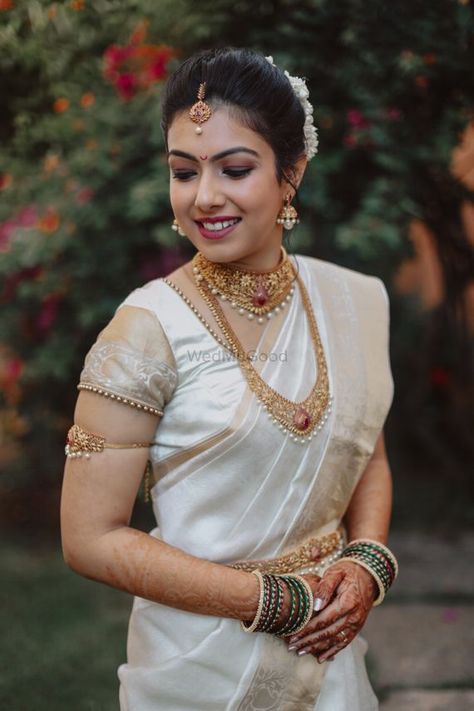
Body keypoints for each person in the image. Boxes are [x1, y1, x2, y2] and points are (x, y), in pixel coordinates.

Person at [60, 47, 396, 710]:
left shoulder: (353, 301)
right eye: (184, 172)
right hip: (198, 668)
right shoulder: (145, 330)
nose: (204, 196)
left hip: (331, 664)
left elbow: (369, 456)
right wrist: (271, 598)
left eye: (234, 169)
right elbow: (88, 536)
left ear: (290, 173)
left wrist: (366, 565)